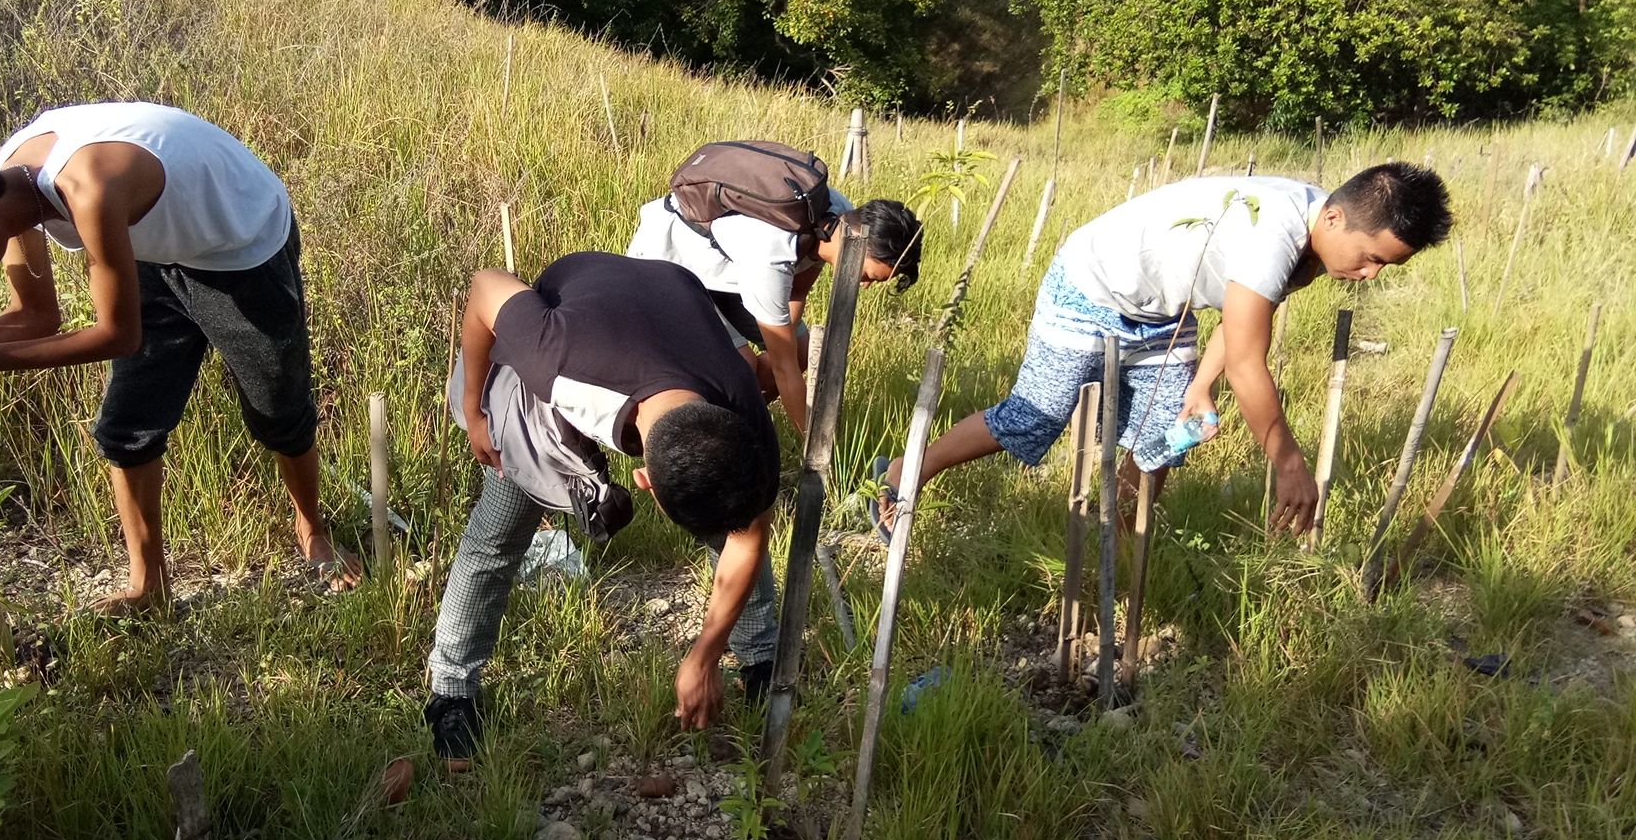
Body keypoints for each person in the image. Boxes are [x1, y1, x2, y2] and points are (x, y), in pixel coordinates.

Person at [0, 101, 360, 613]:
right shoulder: (0, 179)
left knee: (277, 407)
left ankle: (311, 528)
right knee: (126, 426)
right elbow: (35, 315)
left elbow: (119, 336)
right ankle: (149, 585)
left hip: (239, 244)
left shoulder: (88, 190)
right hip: (153, 246)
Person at [875, 162, 1453, 537]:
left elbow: (1240, 326)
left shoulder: (1317, 242)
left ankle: (1118, 542)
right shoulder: (1274, 234)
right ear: (1334, 216)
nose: (1371, 274)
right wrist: (1290, 464)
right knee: (1037, 417)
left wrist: (1200, 387)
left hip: (1161, 313)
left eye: (1385, 266)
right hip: (1090, 287)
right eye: (1371, 257)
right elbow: (1251, 365)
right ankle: (906, 470)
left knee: (1165, 439)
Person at [426, 251, 782, 769]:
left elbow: (749, 534)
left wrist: (705, 652)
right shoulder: (557, 358)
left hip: (663, 304)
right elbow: (485, 286)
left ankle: (761, 659)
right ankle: (451, 691)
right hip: (564, 339)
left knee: (728, 511)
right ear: (647, 484)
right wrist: (475, 408)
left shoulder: (742, 412)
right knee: (497, 535)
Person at [626, 144, 923, 436]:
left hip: (726, 267)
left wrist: (781, 356)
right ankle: (720, 434)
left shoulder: (840, 214)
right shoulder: (772, 252)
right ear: (855, 240)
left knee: (800, 350)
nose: (865, 285)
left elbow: (797, 292)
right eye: (869, 274)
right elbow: (784, 368)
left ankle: (740, 424)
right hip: (671, 264)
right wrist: (815, 446)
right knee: (740, 365)